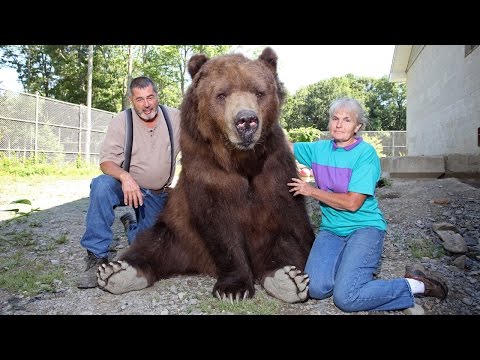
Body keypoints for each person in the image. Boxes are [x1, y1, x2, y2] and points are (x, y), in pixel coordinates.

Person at [287, 97, 448, 312]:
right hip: (332, 230)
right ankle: (350, 272)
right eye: (335, 118)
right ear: (328, 122)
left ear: (357, 127)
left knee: (347, 298)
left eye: (347, 120)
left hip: (364, 228)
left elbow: (353, 203)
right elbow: (282, 146)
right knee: (315, 288)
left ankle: (416, 285)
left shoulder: (366, 154)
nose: (339, 124)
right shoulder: (318, 150)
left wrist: (311, 191)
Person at [77, 76, 181, 289]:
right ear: (132, 101)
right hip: (127, 187)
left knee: (146, 248)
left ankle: (130, 225)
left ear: (157, 96)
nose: (147, 104)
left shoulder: (175, 118)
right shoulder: (121, 121)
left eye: (150, 97)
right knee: (102, 185)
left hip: (157, 193)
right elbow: (106, 162)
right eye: (140, 99)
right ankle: (97, 256)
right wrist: (125, 177)